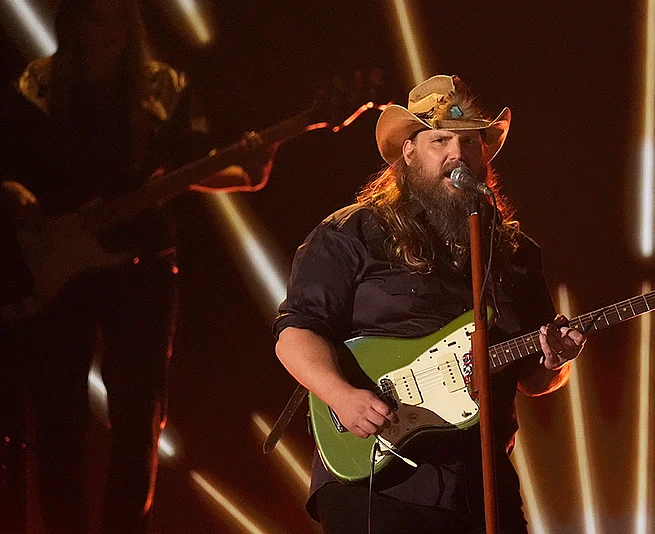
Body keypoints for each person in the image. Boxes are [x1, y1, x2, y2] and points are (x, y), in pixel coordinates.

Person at [0, 1, 273, 532]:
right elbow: (7, 161)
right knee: (58, 417)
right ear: (72, 23)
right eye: (94, 17)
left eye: (118, 18)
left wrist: (251, 171)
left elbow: (197, 167)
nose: (107, 31)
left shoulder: (163, 87)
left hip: (140, 265)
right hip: (55, 265)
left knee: (138, 420)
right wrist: (12, 193)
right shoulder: (39, 83)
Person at [273, 74, 586, 533]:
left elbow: (535, 377)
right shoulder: (353, 234)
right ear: (409, 152)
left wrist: (556, 361)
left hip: (482, 488)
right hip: (381, 483)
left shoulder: (515, 254)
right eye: (440, 140)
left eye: (468, 142)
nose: (456, 154)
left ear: (485, 154)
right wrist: (342, 397)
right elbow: (296, 332)